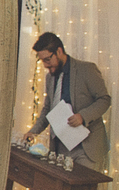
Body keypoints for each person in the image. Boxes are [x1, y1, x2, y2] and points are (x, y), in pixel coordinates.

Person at [24, 32, 111, 172]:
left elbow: (104, 99)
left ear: (59, 51)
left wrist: (83, 116)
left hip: (86, 148)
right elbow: (48, 109)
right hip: (61, 148)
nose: (45, 65)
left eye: (47, 59)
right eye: (42, 61)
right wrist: (33, 132)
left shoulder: (86, 69)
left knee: (81, 185)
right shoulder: (50, 77)